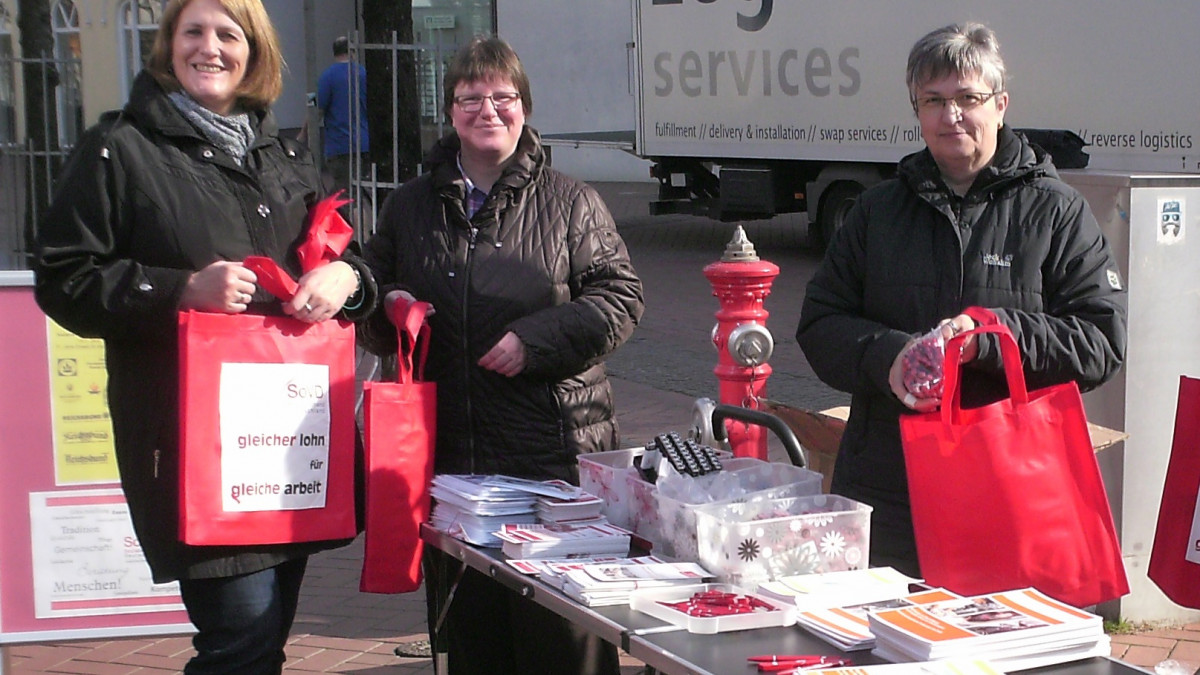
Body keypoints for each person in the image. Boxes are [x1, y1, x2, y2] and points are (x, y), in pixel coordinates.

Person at [32, 1, 376, 672]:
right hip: (198, 449)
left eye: (228, 33)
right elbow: (63, 276)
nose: (210, 48)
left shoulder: (284, 155)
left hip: (288, 452)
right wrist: (178, 289)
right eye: (194, 32)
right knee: (240, 640)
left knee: (265, 635)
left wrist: (346, 278)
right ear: (168, 45)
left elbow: (357, 262)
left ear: (255, 50)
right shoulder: (119, 147)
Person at [795, 22, 1126, 578]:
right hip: (888, 489)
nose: (951, 116)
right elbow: (819, 323)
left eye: (968, 98)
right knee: (887, 653)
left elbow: (1101, 341)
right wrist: (890, 356)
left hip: (1009, 486)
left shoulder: (1057, 213)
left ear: (1000, 105)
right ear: (916, 110)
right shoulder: (877, 212)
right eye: (934, 100)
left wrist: (989, 338)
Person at [358, 35, 643, 675]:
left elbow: (622, 298)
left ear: (525, 107)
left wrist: (536, 341)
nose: (488, 110)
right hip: (454, 468)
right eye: (470, 98)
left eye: (503, 97)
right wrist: (390, 309)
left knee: (562, 644)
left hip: (554, 462)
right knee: (477, 644)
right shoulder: (410, 206)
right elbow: (368, 290)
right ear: (450, 111)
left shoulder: (573, 202)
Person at [317, 35, 369, 199]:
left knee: (344, 193)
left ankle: (349, 223)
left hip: (338, 144)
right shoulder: (363, 73)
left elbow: (318, 109)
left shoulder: (327, 77)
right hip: (362, 142)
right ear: (352, 52)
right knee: (358, 190)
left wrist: (304, 134)